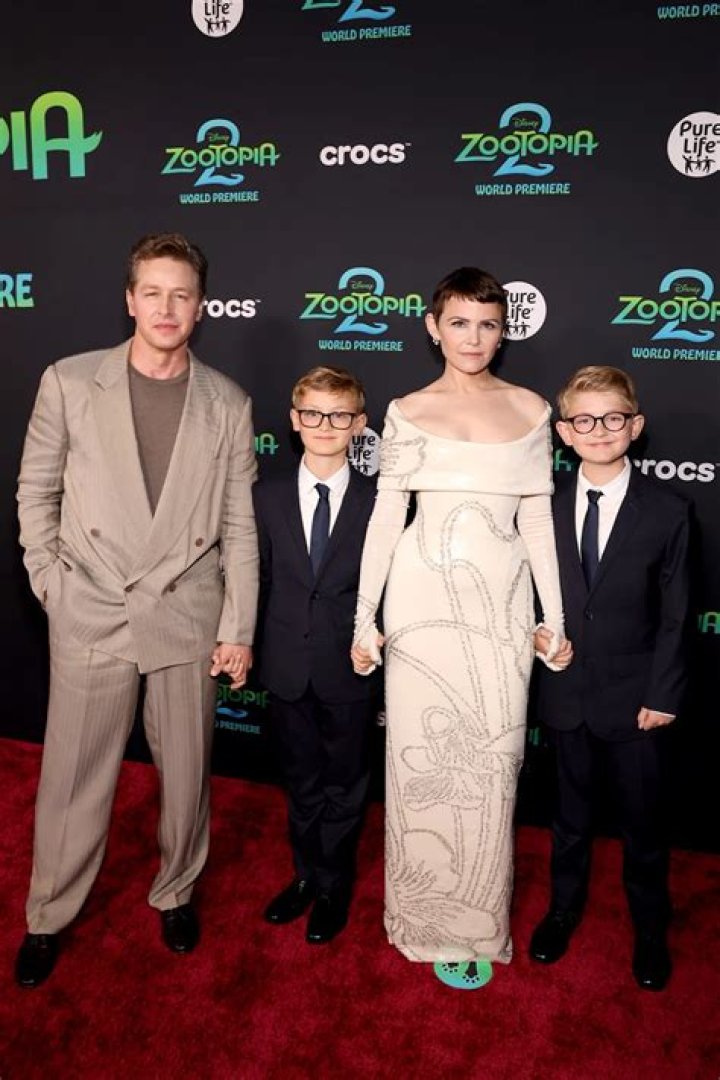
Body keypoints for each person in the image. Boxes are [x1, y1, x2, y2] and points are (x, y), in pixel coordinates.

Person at [14, 232, 259, 988]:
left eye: (181, 294)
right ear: (129, 300)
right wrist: (50, 581)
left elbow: (239, 526)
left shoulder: (228, 402)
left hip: (187, 612)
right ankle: (48, 913)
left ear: (201, 306)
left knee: (186, 775)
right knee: (73, 776)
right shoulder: (68, 381)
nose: (166, 307)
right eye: (152, 292)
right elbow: (36, 492)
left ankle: (176, 890)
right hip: (92, 606)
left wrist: (237, 627)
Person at [351, 267, 570, 989]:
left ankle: (479, 923)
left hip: (501, 615)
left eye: (487, 325)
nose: (473, 338)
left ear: (502, 332)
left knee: (491, 772)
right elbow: (388, 516)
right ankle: (418, 920)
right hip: (419, 611)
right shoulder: (406, 410)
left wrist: (553, 616)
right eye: (459, 323)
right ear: (433, 327)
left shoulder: (532, 410)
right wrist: (364, 615)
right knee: (418, 767)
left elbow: (538, 520)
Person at [529, 365, 690, 992]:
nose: (599, 430)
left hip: (637, 702)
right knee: (568, 819)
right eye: (584, 420)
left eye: (613, 418)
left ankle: (649, 928)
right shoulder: (540, 506)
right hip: (565, 692)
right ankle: (562, 910)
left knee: (643, 826)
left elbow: (677, 614)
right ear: (564, 432)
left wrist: (663, 694)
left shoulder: (669, 512)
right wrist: (534, 635)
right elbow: (523, 594)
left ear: (635, 425)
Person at [253, 366, 381, 944]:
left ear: (358, 423)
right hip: (285, 664)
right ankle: (304, 875)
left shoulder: (381, 502)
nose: (325, 425)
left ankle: (334, 886)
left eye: (339, 415)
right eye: (312, 414)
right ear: (294, 419)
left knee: (345, 784)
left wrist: (376, 638)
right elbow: (257, 579)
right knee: (301, 780)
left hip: (350, 666)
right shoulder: (266, 496)